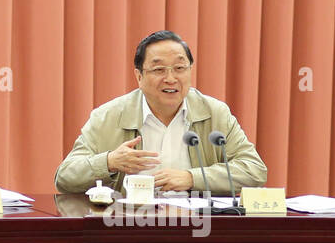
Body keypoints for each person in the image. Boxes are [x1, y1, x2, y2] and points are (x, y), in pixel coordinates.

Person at [54, 30, 267, 194]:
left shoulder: (215, 113)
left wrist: (192, 178)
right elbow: (65, 178)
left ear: (190, 70)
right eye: (158, 70)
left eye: (179, 68)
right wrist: (109, 162)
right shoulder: (108, 116)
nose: (171, 79)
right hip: (127, 227)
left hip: (197, 229)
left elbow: (254, 170)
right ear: (139, 76)